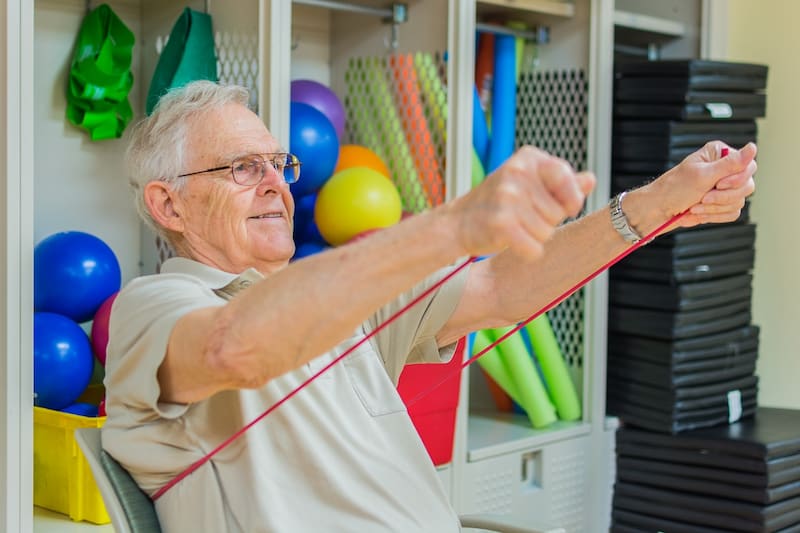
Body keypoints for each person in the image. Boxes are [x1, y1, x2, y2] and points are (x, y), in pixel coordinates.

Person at [102, 80, 757, 533]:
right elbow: (231, 348)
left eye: (279, 164)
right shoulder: (155, 305)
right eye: (243, 168)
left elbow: (502, 286)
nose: (276, 184)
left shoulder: (330, 291)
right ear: (169, 205)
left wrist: (658, 206)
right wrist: (452, 227)